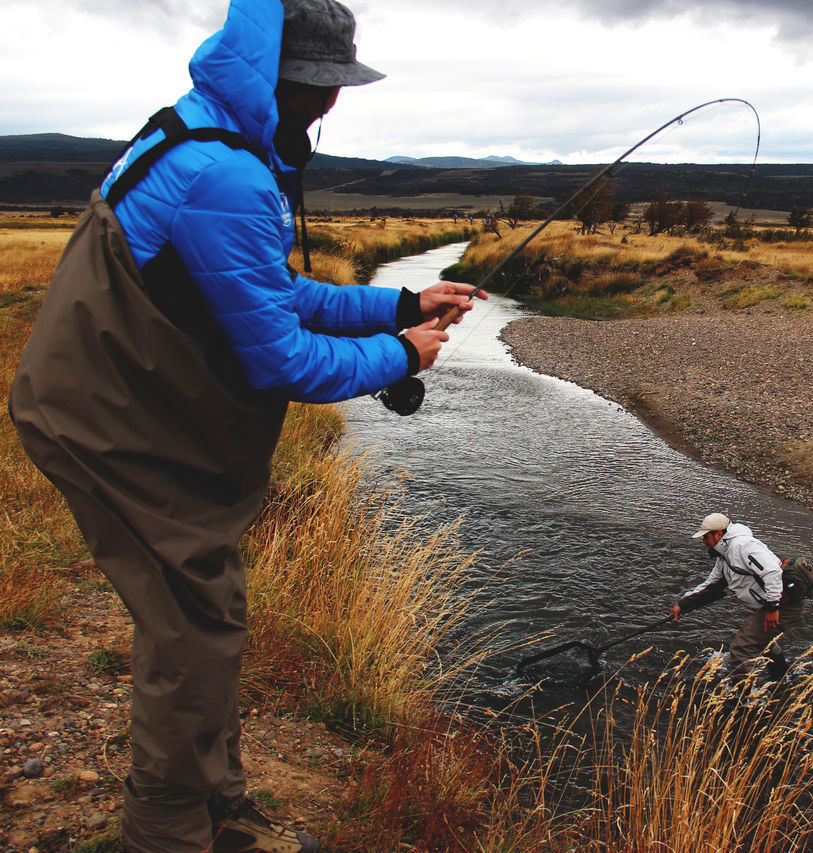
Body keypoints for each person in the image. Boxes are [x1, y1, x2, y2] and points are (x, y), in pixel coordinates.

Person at [9, 1, 484, 850]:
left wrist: (403, 301)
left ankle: (214, 799)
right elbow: (283, 360)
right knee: (191, 622)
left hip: (125, 407)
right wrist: (403, 355)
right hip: (101, 423)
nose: (331, 106)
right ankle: (164, 831)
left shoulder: (202, 133)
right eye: (323, 87)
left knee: (211, 602)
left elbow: (276, 293)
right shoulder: (225, 175)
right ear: (291, 84)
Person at [669, 513, 803, 680]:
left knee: (740, 649)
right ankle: (783, 680)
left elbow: (773, 572)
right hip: (771, 605)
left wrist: (773, 608)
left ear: (718, 533)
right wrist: (682, 604)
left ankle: (741, 699)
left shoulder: (742, 546)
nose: (703, 542)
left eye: (706, 537)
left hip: (783, 605)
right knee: (763, 641)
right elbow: (711, 585)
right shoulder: (724, 557)